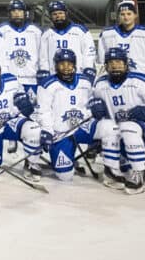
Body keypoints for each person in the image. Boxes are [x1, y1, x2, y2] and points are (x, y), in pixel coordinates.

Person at [91, 47, 145, 193]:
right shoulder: (100, 84)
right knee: (125, 170)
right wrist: (94, 105)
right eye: (111, 63)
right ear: (105, 66)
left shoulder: (141, 81)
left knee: (128, 126)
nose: (115, 66)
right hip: (117, 133)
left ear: (126, 64)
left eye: (118, 62)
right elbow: (90, 103)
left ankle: (139, 173)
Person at [36, 49, 109, 182]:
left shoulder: (85, 81)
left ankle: (112, 170)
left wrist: (96, 106)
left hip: (83, 127)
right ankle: (67, 161)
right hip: (61, 132)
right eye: (62, 64)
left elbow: (92, 100)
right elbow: (43, 111)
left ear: (74, 64)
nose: (66, 68)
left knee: (109, 128)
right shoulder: (47, 85)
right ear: (55, 65)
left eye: (69, 64)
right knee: (65, 176)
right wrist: (47, 130)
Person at [40, 0, 97, 84]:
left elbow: (89, 53)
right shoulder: (46, 34)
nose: (58, 16)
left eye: (60, 13)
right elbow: (43, 58)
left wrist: (87, 70)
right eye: (54, 14)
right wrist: (46, 74)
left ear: (66, 14)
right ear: (50, 17)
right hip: (54, 78)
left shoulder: (80, 31)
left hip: (78, 76)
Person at [0, 0, 43, 97]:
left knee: (33, 110)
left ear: (25, 13)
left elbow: (41, 55)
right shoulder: (1, 30)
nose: (17, 13)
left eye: (19, 11)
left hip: (31, 78)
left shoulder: (36, 31)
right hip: (9, 80)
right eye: (13, 11)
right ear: (9, 13)